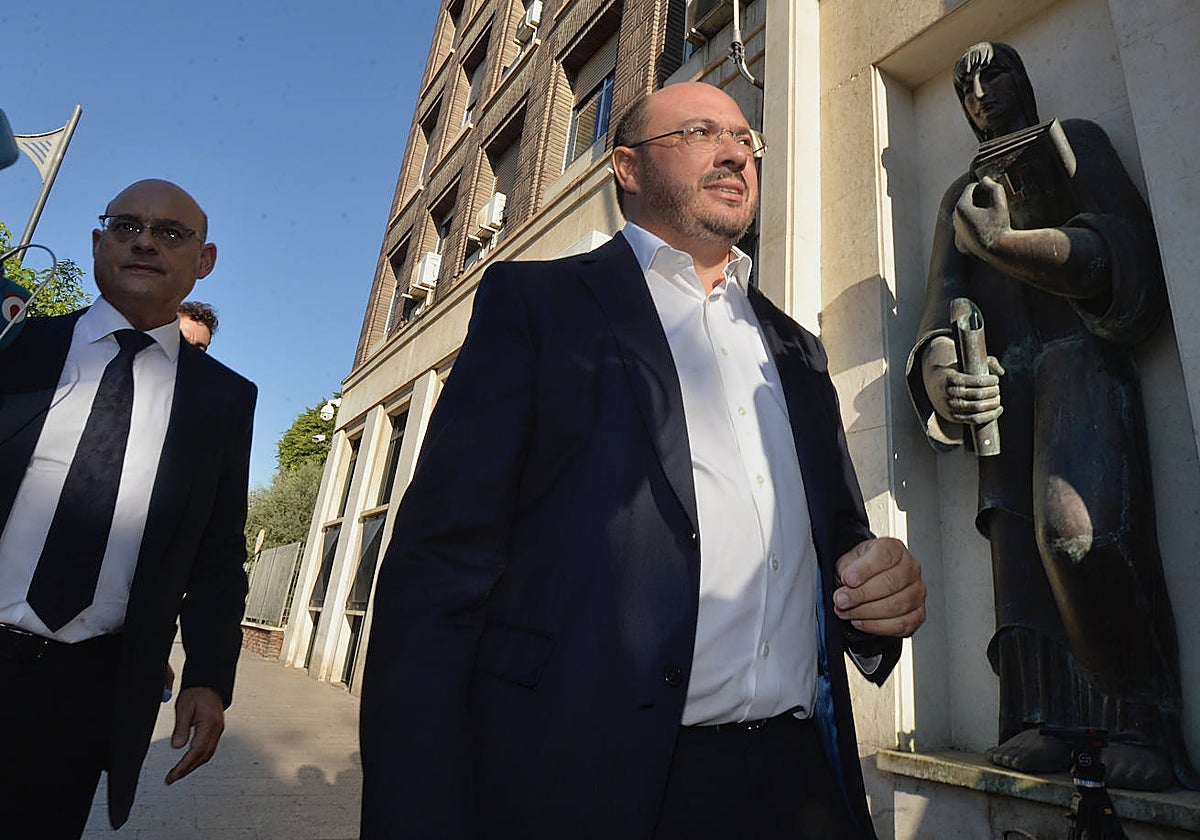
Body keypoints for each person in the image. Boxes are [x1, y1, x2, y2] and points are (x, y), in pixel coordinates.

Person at [360, 81, 927, 839]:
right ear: (627, 167)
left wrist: (880, 594)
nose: (735, 152)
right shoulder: (538, 306)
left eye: (745, 139)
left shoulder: (796, 349)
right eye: (700, 132)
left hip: (800, 784)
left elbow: (841, 548)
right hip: (596, 782)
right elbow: (439, 567)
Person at [907, 42, 1193, 790]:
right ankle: (1042, 716)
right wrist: (943, 376)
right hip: (1005, 378)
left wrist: (1005, 245)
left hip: (1080, 356)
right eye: (965, 87)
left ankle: (1138, 719)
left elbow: (1120, 252)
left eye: (993, 74)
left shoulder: (1077, 143)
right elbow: (942, 304)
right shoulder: (961, 194)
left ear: (1023, 80)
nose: (979, 94)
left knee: (1076, 533)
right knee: (1017, 554)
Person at [0, 179, 256, 836]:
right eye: (126, 226)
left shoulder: (223, 400)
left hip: (86, 692)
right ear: (98, 243)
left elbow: (218, 554)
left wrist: (208, 676)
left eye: (170, 233)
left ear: (204, 260)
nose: (145, 242)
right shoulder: (16, 347)